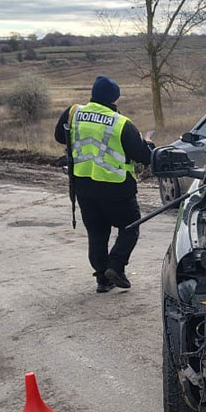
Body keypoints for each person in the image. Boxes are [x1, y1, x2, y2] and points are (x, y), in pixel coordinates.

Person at [54, 76, 153, 293]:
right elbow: (142, 156)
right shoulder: (121, 123)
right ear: (114, 98)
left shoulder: (73, 113)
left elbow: (60, 137)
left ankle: (102, 279)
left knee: (97, 233)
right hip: (117, 188)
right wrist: (148, 146)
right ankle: (116, 266)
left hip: (84, 185)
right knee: (130, 228)